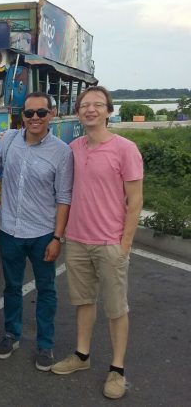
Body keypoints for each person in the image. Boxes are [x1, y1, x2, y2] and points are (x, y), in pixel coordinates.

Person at [51, 86, 143, 400]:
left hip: (111, 243)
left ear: (108, 111)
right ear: (77, 112)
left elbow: (135, 201)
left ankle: (117, 369)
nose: (90, 109)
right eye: (85, 105)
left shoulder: (125, 149)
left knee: (116, 308)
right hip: (77, 240)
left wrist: (125, 244)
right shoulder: (74, 147)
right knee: (83, 301)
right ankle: (81, 355)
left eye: (97, 105)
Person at [0, 92, 73, 371]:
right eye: (29, 113)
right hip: (9, 229)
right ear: (22, 116)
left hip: (43, 233)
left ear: (51, 115)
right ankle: (11, 334)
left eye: (41, 113)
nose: (34, 118)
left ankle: (45, 344)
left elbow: (64, 197)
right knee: (11, 287)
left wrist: (57, 237)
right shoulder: (9, 140)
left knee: (46, 289)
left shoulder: (61, 152)